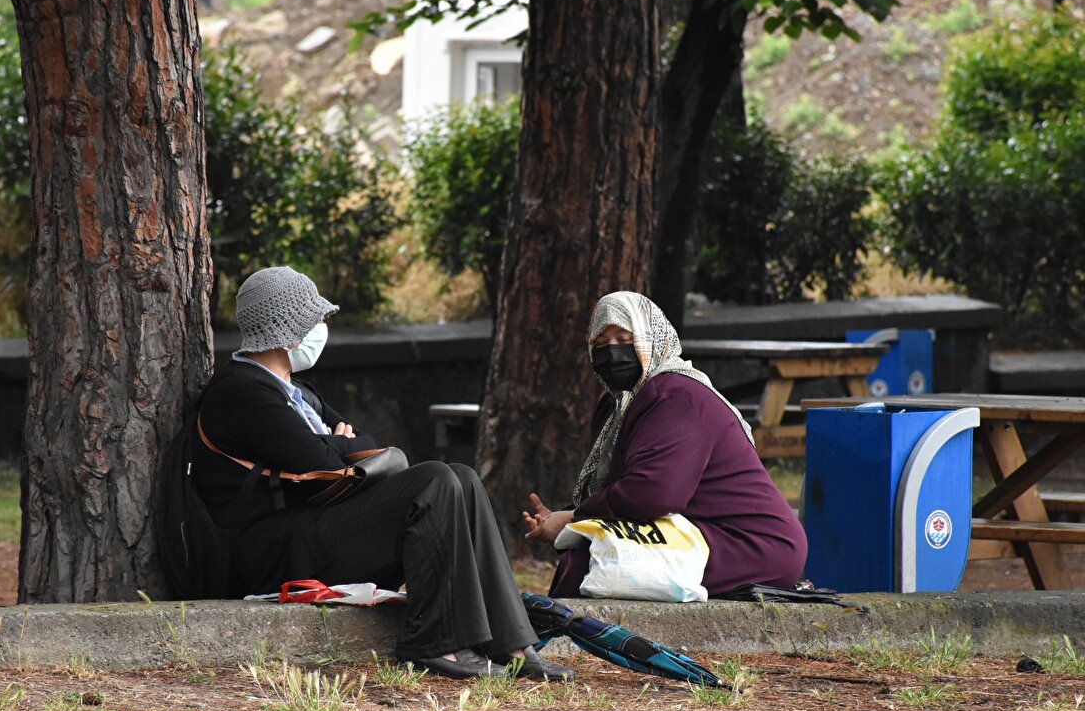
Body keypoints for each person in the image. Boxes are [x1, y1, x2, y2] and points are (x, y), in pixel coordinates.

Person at [192, 266, 573, 681]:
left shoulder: (297, 390)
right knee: (433, 482)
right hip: (277, 552)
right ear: (290, 329)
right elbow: (325, 461)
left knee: (460, 476)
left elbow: (365, 444)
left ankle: (512, 643)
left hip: (314, 530)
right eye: (315, 318)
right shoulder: (240, 390)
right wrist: (339, 445)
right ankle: (436, 643)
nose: (322, 327)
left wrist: (338, 445)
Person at [523, 291, 808, 598]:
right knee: (593, 550)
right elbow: (618, 485)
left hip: (751, 545)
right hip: (694, 530)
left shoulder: (677, 395)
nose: (613, 352)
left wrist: (575, 518)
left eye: (625, 338)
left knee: (596, 559)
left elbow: (654, 492)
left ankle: (559, 644)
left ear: (652, 337)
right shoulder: (616, 402)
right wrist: (564, 518)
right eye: (601, 344)